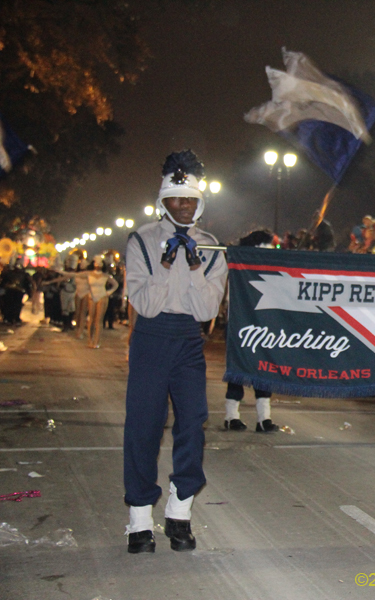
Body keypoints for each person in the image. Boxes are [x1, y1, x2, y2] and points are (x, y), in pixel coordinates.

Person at [123, 150, 227, 554]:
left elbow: (205, 311)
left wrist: (196, 267)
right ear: (163, 200)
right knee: (143, 428)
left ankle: (180, 511)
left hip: (187, 339)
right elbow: (144, 304)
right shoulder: (142, 240)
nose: (182, 207)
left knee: (192, 425)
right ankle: (138, 520)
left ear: (199, 202)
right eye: (175, 199)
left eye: (189, 200)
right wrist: (165, 267)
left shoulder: (212, 247)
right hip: (151, 335)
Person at [224, 229, 279, 433]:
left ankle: (264, 418)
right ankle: (231, 416)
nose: (271, 249)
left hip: (264, 323)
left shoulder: (269, 266)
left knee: (265, 369)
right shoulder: (239, 266)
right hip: (240, 324)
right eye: (268, 244)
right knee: (238, 370)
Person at [79, 255, 118, 349]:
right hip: (92, 296)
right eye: (96, 263)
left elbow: (115, 284)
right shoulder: (89, 274)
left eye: (100, 264)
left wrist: (108, 292)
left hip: (102, 296)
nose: (98, 266)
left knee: (98, 320)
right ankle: (90, 340)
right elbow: (75, 275)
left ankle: (97, 341)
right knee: (91, 319)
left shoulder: (105, 276)